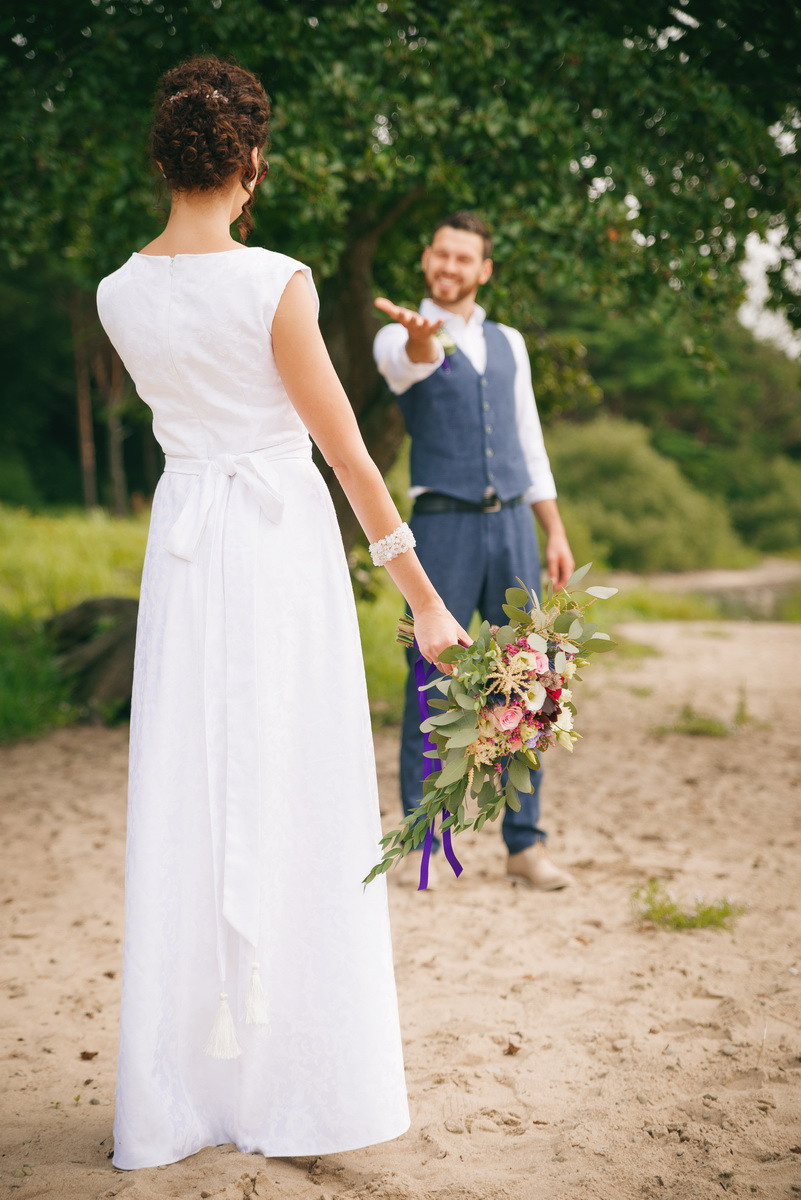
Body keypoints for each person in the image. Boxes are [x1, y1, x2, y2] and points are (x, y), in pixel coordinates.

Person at [96, 57, 469, 1170]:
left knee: (194, 789)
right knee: (297, 788)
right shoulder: (279, 283)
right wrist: (433, 610)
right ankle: (302, 1086)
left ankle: (185, 1095)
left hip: (188, 548)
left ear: (163, 159)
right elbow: (351, 463)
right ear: (251, 166)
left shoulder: (118, 291)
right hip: (273, 551)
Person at [373, 212, 575, 892]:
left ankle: (524, 844)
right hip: (443, 526)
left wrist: (554, 530)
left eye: (464, 258)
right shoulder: (397, 335)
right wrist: (421, 341)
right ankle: (419, 841)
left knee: (532, 679)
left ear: (483, 269)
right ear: (426, 258)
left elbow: (529, 439)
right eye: (440, 255)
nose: (449, 267)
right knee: (430, 681)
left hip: (514, 521)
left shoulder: (509, 342)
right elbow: (412, 366)